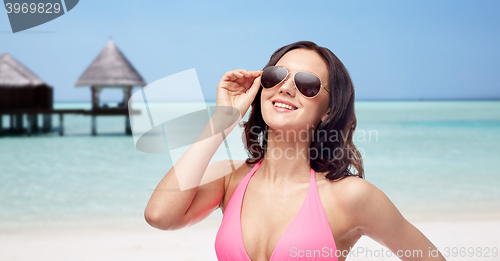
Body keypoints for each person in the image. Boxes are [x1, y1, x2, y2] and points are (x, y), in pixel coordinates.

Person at [144, 41, 446, 261]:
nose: (286, 88)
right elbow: (159, 216)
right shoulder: (229, 179)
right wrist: (221, 121)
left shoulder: (350, 196)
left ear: (327, 111)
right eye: (276, 76)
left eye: (307, 84)